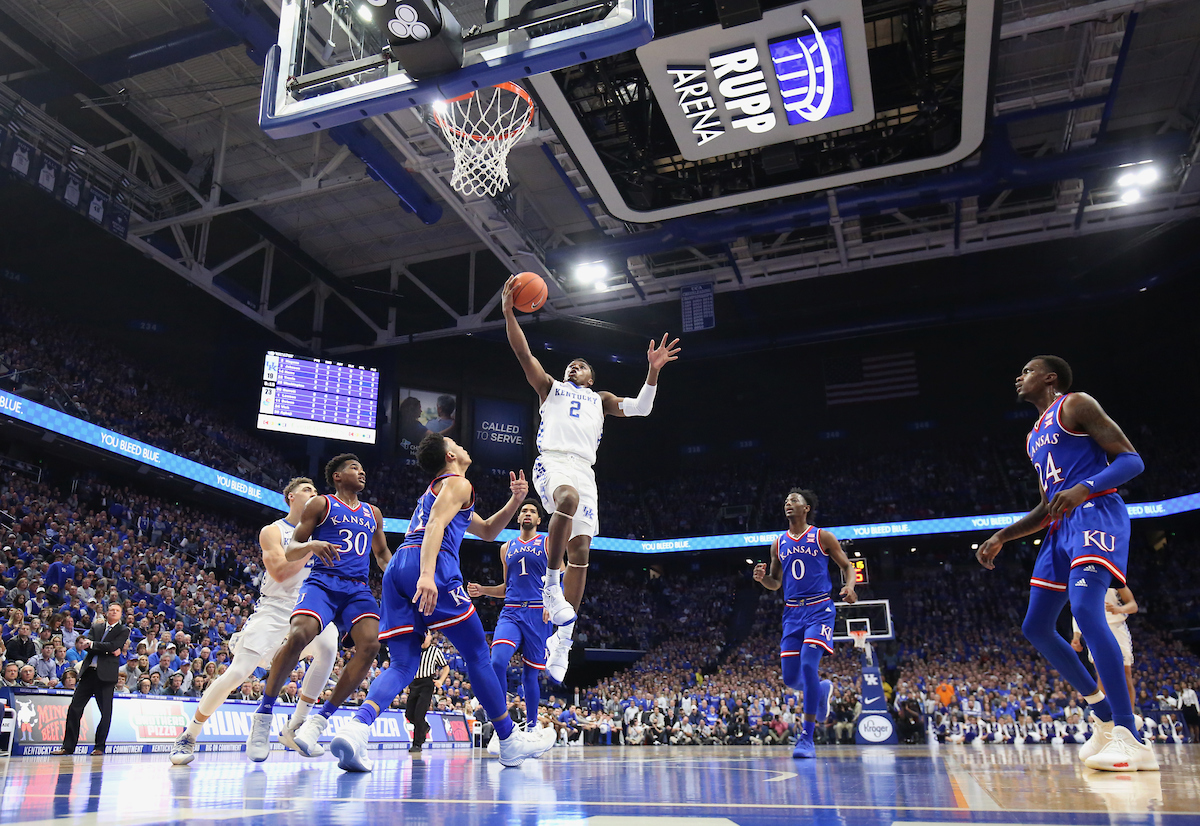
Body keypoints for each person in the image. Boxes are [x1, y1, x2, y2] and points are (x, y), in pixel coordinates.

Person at [327, 432, 555, 771]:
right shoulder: (458, 483)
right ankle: (509, 740)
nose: (463, 446)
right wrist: (427, 574)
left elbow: (489, 531)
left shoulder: (441, 490)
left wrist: (514, 501)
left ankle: (357, 727)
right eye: (456, 443)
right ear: (450, 456)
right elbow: (435, 525)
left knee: (403, 665)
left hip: (399, 567)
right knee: (478, 652)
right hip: (428, 562)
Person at [976, 356, 1156, 771]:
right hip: (1060, 528)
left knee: (1087, 612)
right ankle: (1104, 716)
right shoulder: (1033, 436)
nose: (1018, 376)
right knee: (1036, 627)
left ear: (1050, 377)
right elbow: (1046, 505)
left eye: (1027, 370)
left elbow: (1131, 460)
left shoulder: (1075, 405)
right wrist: (1001, 536)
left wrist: (1083, 487)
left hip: (1096, 512)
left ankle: (1131, 735)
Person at [501, 274, 680, 682]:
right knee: (565, 501)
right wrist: (509, 313)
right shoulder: (550, 388)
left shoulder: (601, 400)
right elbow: (523, 352)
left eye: (579, 365)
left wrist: (652, 373)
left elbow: (642, 410)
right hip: (554, 462)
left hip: (586, 469)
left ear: (591, 378)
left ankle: (563, 640)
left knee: (581, 552)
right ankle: (550, 585)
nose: (572, 366)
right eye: (570, 364)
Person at [171, 478, 340, 764]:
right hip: (274, 610)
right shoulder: (274, 531)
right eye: (307, 490)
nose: (314, 494)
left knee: (329, 644)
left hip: (308, 607)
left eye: (316, 490)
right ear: (290, 497)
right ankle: (189, 734)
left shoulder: (324, 531)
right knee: (238, 673)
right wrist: (310, 546)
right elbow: (280, 573)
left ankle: (294, 726)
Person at [246, 456, 392, 761]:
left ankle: (318, 721)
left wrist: (401, 579)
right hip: (323, 582)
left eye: (362, 467)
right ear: (337, 476)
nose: (361, 471)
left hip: (357, 587)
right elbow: (291, 548)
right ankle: (264, 714)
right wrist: (312, 546)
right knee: (300, 633)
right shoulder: (321, 505)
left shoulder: (372, 513)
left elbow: (381, 555)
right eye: (354, 467)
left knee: (370, 645)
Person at [754, 488, 857, 759]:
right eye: (786, 500)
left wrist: (848, 587)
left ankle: (807, 738)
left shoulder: (822, 536)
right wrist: (763, 579)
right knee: (790, 678)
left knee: (810, 665)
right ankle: (821, 690)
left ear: (806, 507)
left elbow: (847, 566)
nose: (788, 503)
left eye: (794, 500)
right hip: (791, 613)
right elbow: (776, 583)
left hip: (819, 608)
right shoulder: (778, 543)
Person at [466, 499, 557, 753]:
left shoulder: (548, 542)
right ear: (518, 518)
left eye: (532, 511)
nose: (527, 513)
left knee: (530, 674)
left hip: (539, 613)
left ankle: (530, 727)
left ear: (539, 520)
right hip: (512, 611)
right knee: (497, 661)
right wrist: (482, 590)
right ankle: (502, 724)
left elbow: (560, 574)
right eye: (524, 511)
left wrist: (553, 603)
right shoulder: (506, 548)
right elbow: (506, 587)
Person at [55, 603, 129, 755]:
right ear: (107, 612)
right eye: (111, 609)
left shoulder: (123, 630)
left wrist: (96, 645)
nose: (113, 612)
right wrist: (106, 649)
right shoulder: (96, 627)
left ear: (120, 614)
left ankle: (99, 747)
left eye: (117, 610)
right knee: (74, 709)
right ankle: (68, 747)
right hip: (89, 673)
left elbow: (113, 645)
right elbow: (86, 646)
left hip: (106, 677)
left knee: (105, 713)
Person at [1072, 585, 1139, 718]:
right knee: (1102, 676)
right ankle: (1103, 719)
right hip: (1095, 629)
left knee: (1126, 675)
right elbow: (1078, 609)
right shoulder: (1083, 581)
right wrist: (1076, 636)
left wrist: (1119, 609)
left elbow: (1133, 606)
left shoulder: (1115, 579)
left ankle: (1130, 717)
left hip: (1117, 628)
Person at [405, 631, 449, 753]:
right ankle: (424, 727)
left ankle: (417, 744)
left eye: (426, 635)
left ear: (430, 638)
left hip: (427, 684)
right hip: (414, 683)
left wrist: (441, 680)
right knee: (409, 714)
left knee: (419, 715)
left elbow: (446, 667)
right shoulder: (414, 650)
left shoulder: (435, 651)